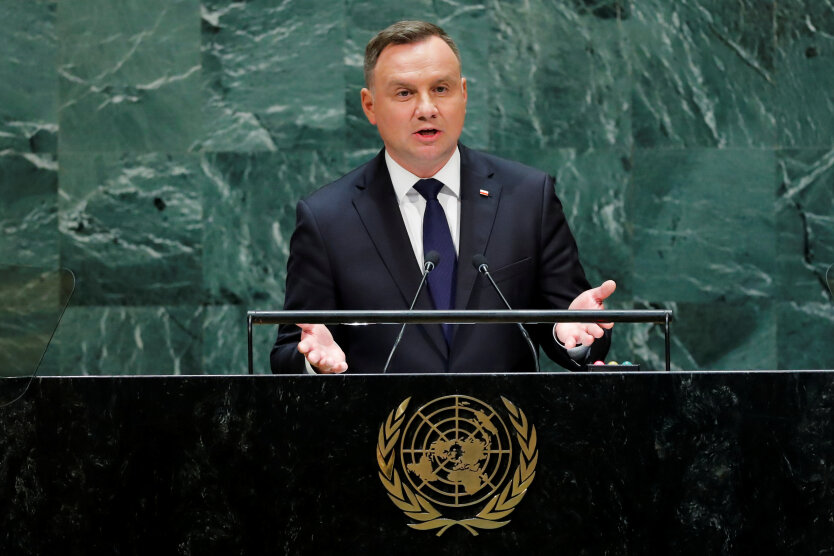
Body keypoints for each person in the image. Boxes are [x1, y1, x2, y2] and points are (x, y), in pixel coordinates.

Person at [270, 20, 615, 374]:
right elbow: (288, 350)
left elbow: (575, 323)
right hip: (386, 427)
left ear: (463, 94)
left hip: (504, 425)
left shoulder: (528, 197)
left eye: (441, 88)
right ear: (369, 106)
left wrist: (574, 337)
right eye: (404, 93)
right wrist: (313, 362)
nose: (426, 108)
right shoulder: (328, 218)